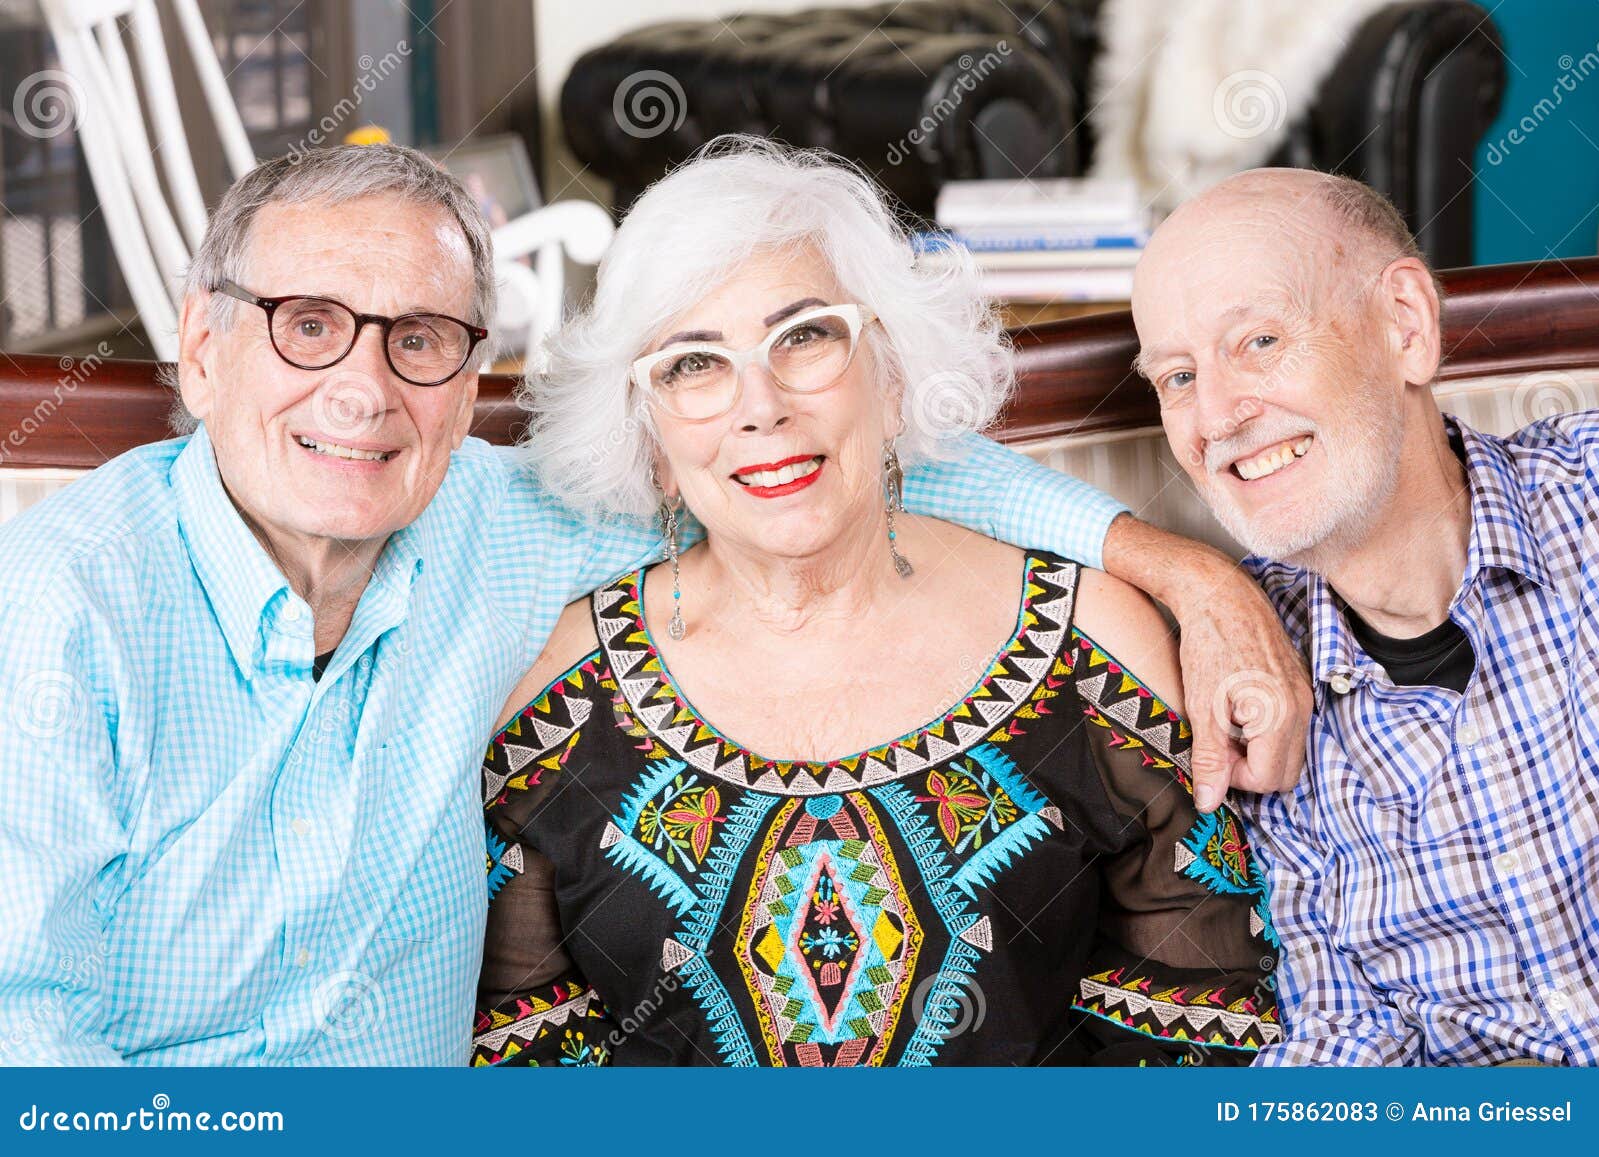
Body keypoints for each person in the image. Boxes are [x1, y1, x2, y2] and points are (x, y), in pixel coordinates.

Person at [0, 142, 1295, 1066]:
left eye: (421, 339)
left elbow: (809, 471)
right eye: (307, 324)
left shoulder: (488, 522)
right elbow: (23, 1032)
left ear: (468, 384)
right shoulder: (64, 606)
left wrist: (1182, 565)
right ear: (204, 344)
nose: (364, 390)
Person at [471, 141, 1279, 1067]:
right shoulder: (554, 698)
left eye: (806, 336)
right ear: (651, 440)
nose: (760, 405)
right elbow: (523, 1058)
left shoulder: (1095, 646)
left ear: (892, 379)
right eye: (694, 364)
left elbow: (1203, 1036)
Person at [1132, 166, 1599, 1066]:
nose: (1219, 414)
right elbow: (1344, 1033)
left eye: (1260, 339)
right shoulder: (1253, 693)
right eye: (1179, 375)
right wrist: (1195, 577)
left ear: (1406, 326)